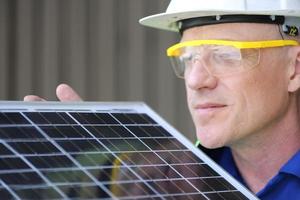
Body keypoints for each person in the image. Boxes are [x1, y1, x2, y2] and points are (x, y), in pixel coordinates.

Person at [25, 0, 300, 199]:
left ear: (295, 69)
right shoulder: (173, 181)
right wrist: (94, 164)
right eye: (188, 57)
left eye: (225, 54)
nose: (195, 80)